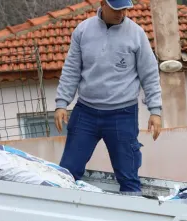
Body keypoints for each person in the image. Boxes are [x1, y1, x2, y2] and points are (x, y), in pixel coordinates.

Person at [54, 0, 162, 195]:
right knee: (67, 172)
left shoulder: (136, 34)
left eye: (125, 9)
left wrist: (155, 110)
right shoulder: (83, 31)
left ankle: (132, 218)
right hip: (85, 112)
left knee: (128, 177)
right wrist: (62, 103)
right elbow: (71, 69)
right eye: (116, 9)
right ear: (103, 4)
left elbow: (150, 74)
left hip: (123, 115)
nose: (121, 14)